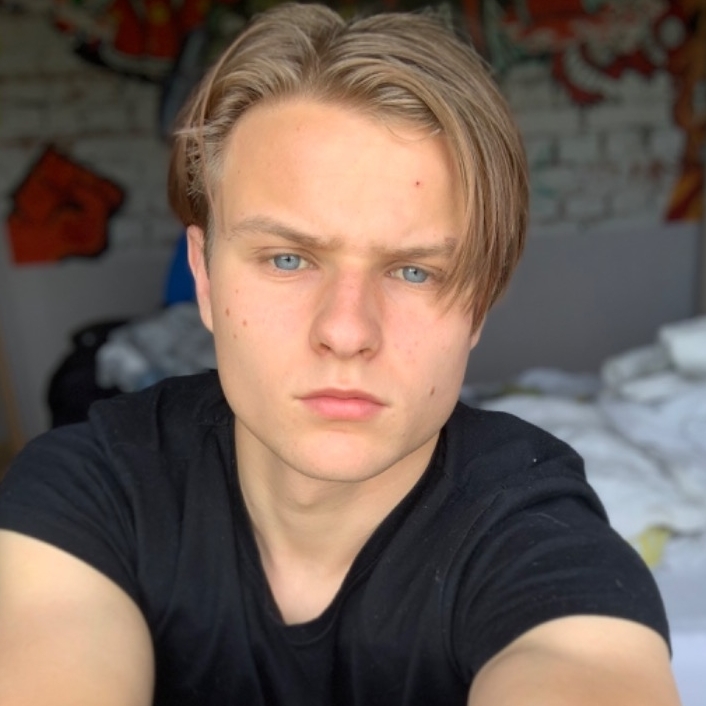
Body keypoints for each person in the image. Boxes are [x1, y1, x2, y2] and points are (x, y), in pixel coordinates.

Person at [0, 4, 681, 705]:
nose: (347, 331)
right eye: (288, 259)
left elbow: (582, 660)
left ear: (478, 305)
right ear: (204, 276)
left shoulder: (535, 540)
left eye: (414, 271)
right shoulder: (94, 492)